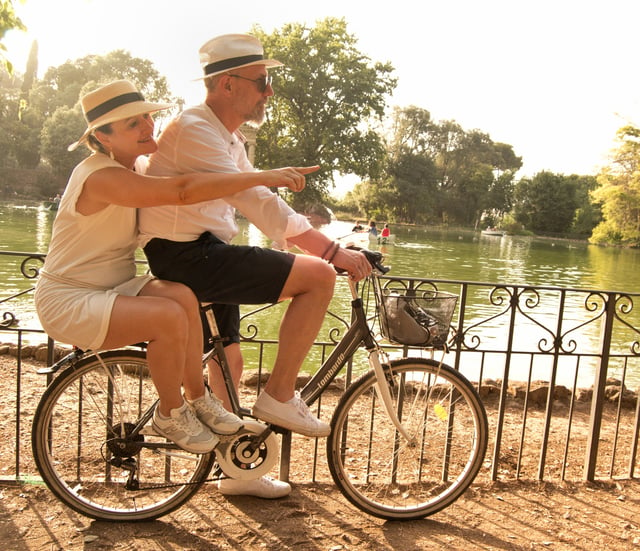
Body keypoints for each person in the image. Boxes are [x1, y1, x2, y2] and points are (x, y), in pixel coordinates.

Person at [138, 34, 372, 498]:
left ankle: (238, 473)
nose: (269, 92)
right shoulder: (197, 130)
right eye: (262, 81)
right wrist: (331, 255)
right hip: (190, 255)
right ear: (228, 84)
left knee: (229, 360)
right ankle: (280, 396)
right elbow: (255, 200)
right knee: (318, 278)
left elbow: (263, 204)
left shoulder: (225, 135)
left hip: (199, 251)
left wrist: (326, 243)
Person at [35, 79, 318, 456]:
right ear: (104, 138)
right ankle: (169, 414)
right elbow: (182, 190)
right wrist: (264, 177)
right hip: (70, 298)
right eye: (132, 124)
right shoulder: (100, 176)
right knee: (167, 317)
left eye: (147, 118)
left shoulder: (135, 166)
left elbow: (189, 188)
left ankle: (198, 400)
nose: (148, 127)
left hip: (111, 289)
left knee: (183, 296)